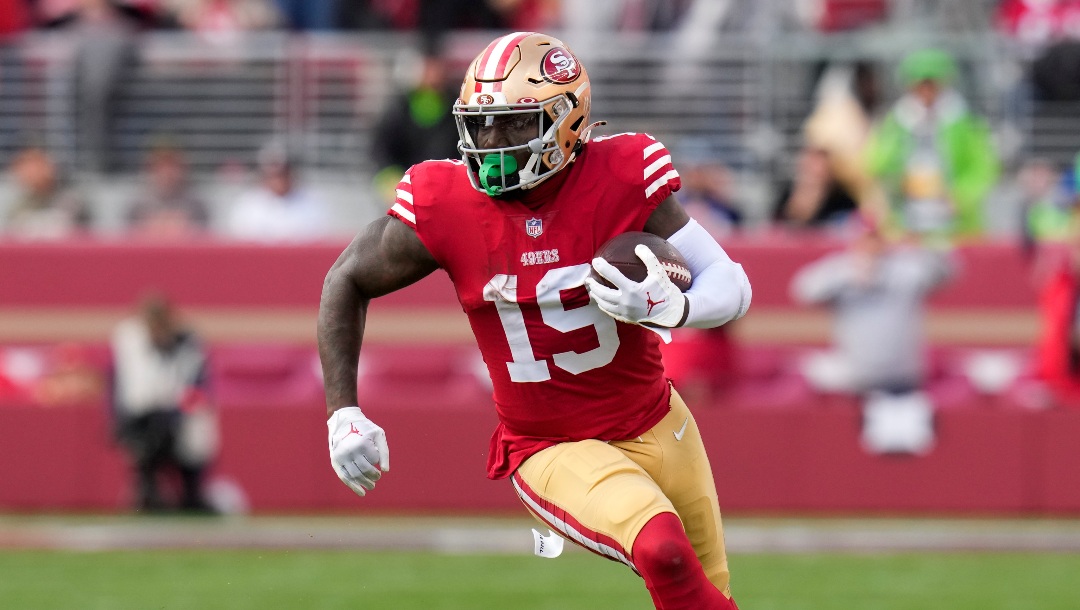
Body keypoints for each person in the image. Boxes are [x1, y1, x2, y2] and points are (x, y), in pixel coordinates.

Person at [318, 32, 751, 609]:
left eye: (516, 123)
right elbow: (345, 279)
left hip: (660, 420)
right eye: (481, 123)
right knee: (663, 551)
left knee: (708, 593)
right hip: (550, 445)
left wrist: (677, 307)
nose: (492, 141)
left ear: (568, 120)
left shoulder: (621, 174)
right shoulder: (445, 201)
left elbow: (733, 283)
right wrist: (342, 412)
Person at [790, 220, 953, 453]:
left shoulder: (905, 268)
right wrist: (848, 274)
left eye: (875, 238)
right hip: (857, 385)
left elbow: (947, 274)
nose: (871, 246)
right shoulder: (842, 270)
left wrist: (926, 244)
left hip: (906, 383)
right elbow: (803, 290)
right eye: (865, 239)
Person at [864, 48, 1000, 239]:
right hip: (907, 222)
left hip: (956, 225)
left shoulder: (963, 121)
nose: (926, 92)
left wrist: (960, 197)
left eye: (932, 84)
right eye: (920, 84)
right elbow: (875, 163)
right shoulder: (897, 121)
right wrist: (896, 177)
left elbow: (984, 168)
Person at [111, 294, 217, 512]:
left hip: (180, 414)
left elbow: (197, 386)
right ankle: (147, 491)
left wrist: (176, 414)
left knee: (198, 429)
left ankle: (192, 492)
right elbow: (125, 388)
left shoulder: (186, 343)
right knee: (143, 441)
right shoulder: (132, 343)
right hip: (143, 417)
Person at [223, 140, 329, 241]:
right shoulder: (247, 204)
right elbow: (240, 241)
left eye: (283, 173)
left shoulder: (311, 202)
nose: (278, 179)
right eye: (273, 174)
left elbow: (319, 238)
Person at [1, 144, 92, 239]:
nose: (30, 173)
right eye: (25, 168)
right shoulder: (19, 205)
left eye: (36, 166)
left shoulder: (71, 198)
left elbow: (84, 232)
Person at [125, 142, 211, 238]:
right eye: (162, 168)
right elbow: (130, 238)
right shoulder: (137, 205)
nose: (167, 174)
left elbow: (202, 238)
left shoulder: (196, 206)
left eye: (172, 168)